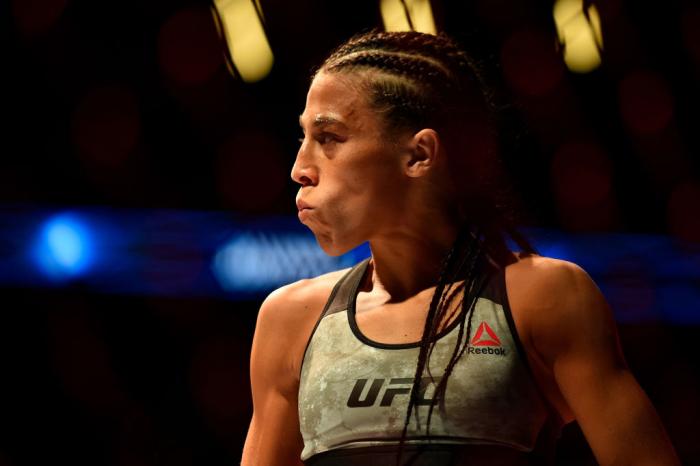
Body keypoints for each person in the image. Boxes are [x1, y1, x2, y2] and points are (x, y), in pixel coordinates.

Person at [240, 30, 680, 466]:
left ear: (418, 155)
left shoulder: (542, 297)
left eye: (329, 138)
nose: (300, 168)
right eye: (303, 138)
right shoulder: (291, 319)